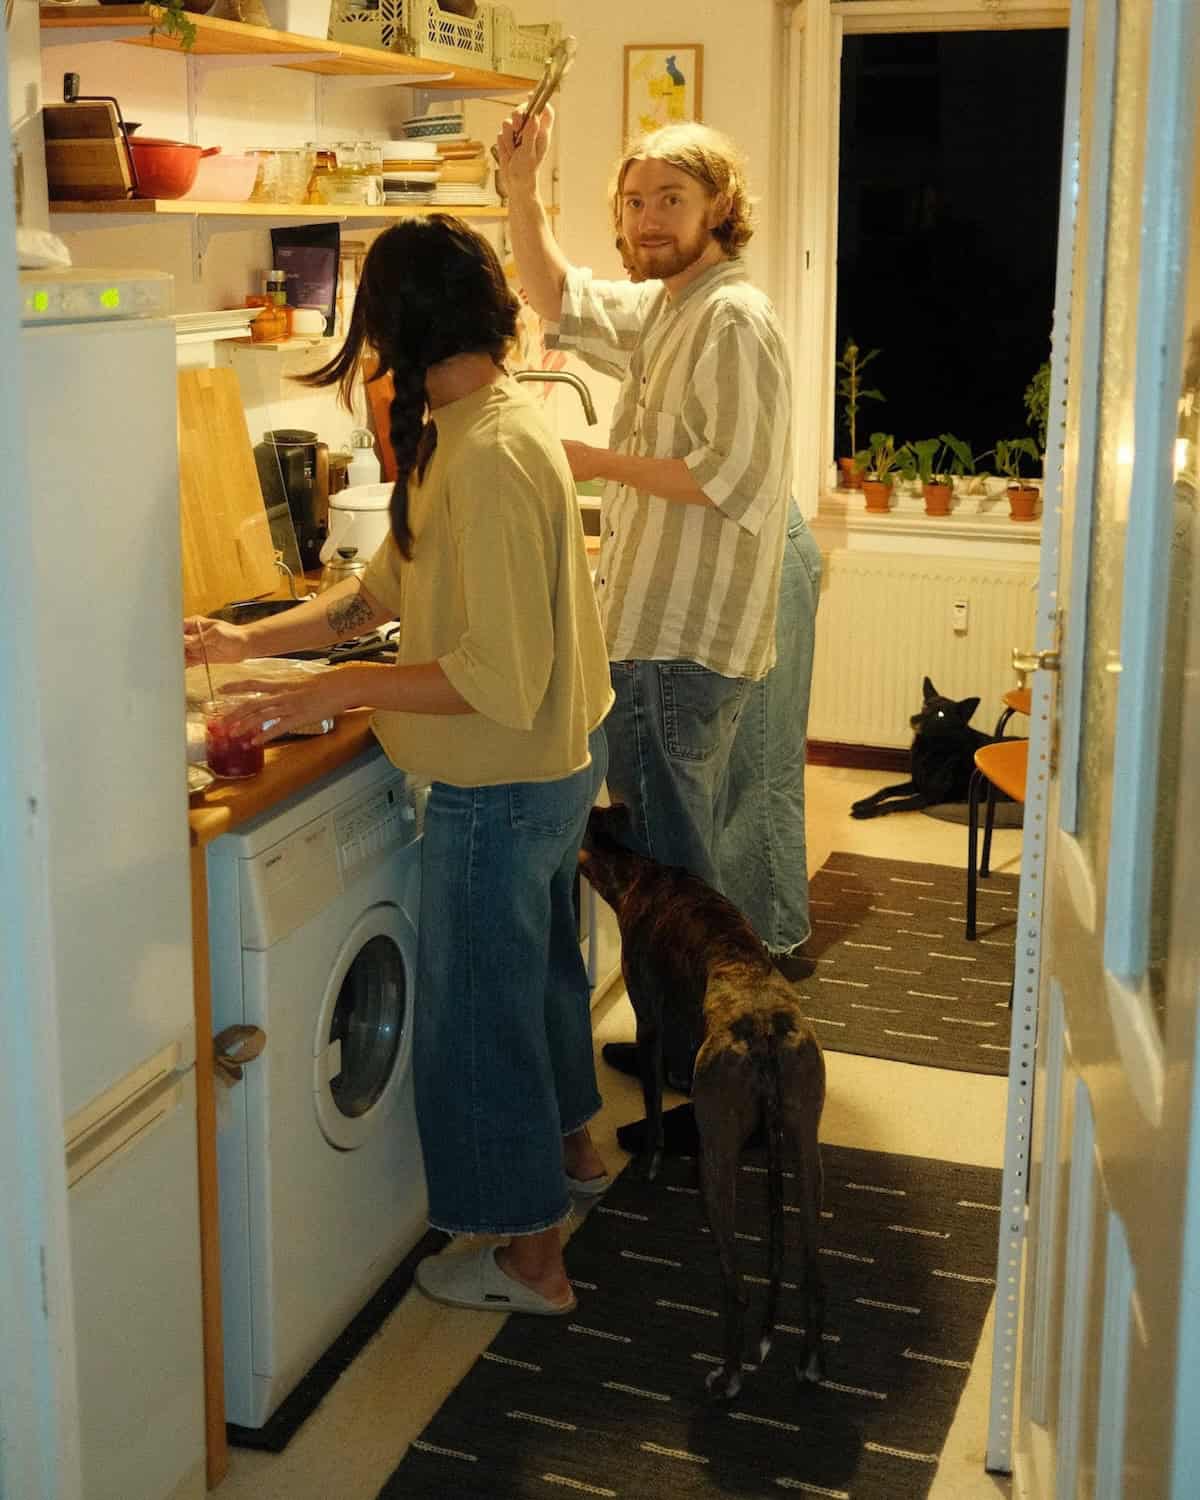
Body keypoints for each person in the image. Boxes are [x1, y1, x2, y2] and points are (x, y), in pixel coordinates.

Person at [184, 216, 614, 1316]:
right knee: (543, 981)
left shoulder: (498, 455)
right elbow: (381, 593)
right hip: (542, 767)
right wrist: (252, 643)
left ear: (399, 328)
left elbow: (495, 675)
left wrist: (330, 690)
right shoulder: (466, 430)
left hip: (501, 779)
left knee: (482, 1021)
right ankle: (575, 1153)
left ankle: (530, 1257)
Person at [498, 111, 818, 1131]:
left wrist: (592, 464)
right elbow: (558, 295)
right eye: (634, 202)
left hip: (681, 648)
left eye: (670, 200)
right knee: (669, 871)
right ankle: (688, 1047)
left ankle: (710, 1076)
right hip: (657, 636)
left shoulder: (732, 318)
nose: (646, 219)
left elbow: (732, 476)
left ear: (720, 209)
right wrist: (522, 183)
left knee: (679, 883)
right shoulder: (673, 307)